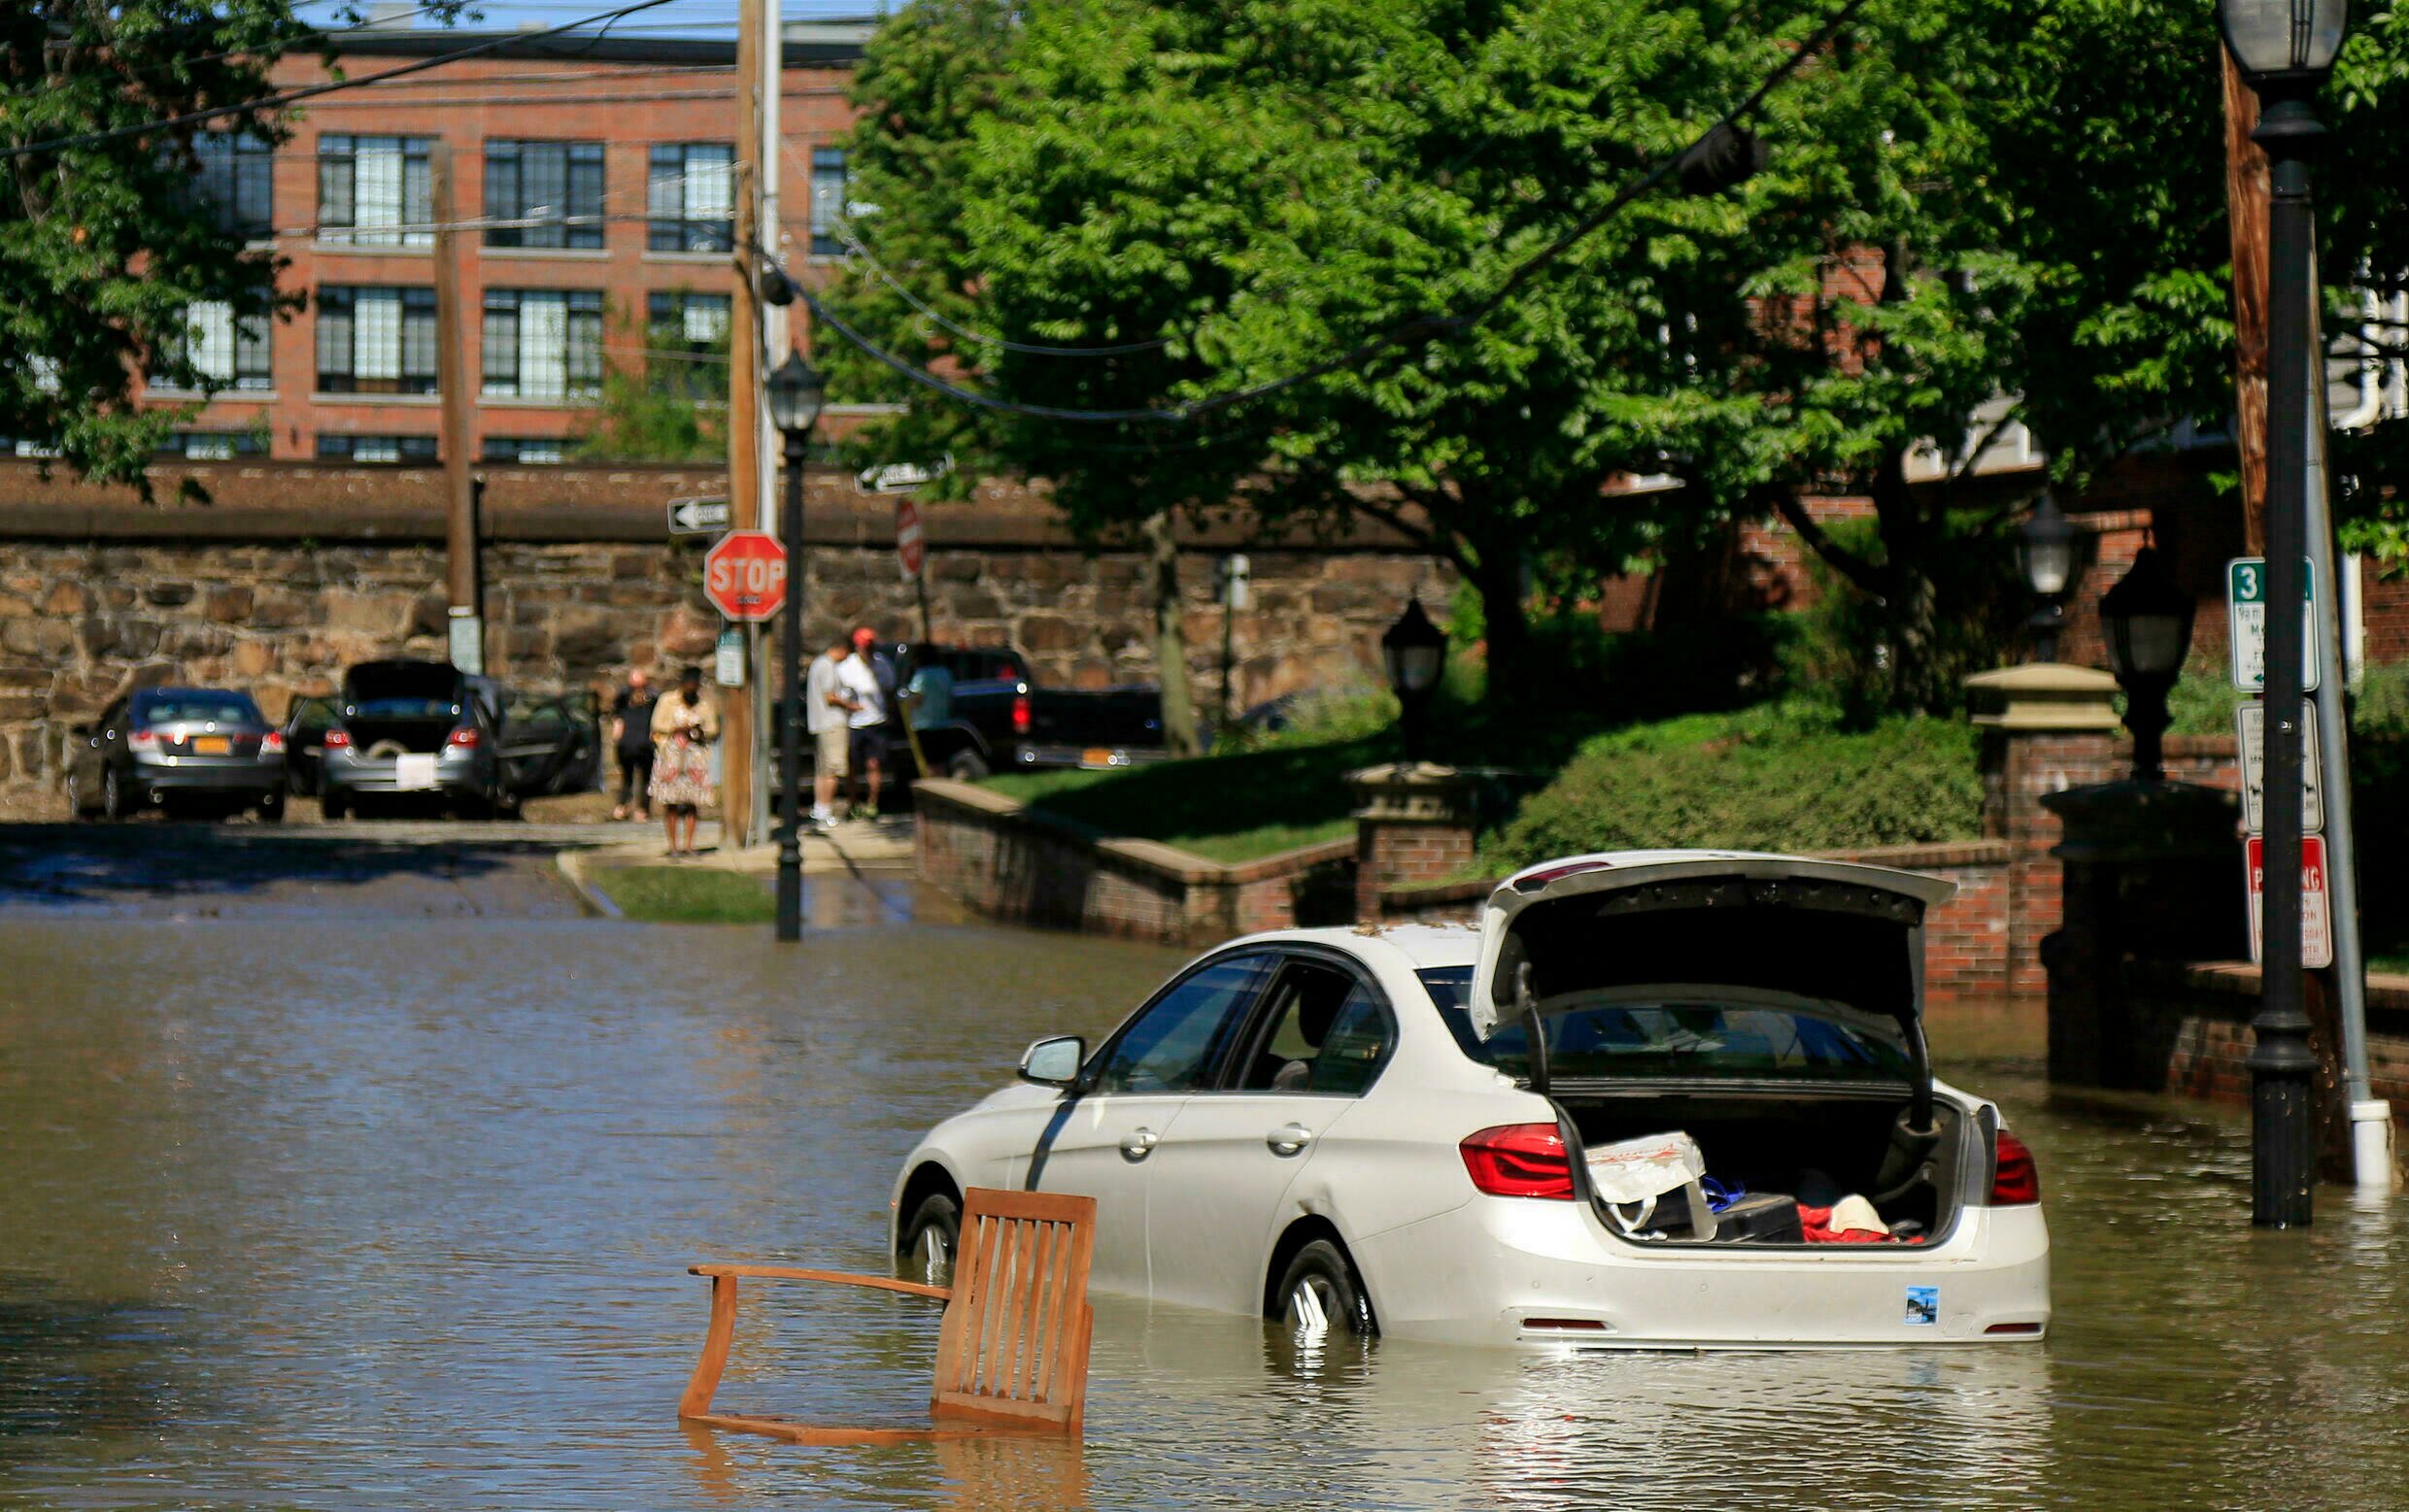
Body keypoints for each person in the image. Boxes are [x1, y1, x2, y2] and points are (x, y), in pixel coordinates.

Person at [648, 665, 720, 858]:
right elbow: (657, 725)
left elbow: (713, 729)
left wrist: (699, 730)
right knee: (671, 803)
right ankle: (673, 845)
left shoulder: (704, 704)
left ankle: (689, 844)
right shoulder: (667, 701)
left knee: (692, 803)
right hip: (672, 757)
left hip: (695, 759)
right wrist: (677, 727)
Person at [837, 626, 895, 818]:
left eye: (870, 646)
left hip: (877, 721)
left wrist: (890, 712)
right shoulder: (847, 667)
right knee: (852, 766)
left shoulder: (882, 664)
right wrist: (849, 706)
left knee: (874, 764)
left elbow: (889, 690)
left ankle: (872, 803)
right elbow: (840, 695)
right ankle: (853, 802)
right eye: (864, 646)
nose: (868, 650)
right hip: (855, 723)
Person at [803, 628, 853, 829]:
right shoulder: (827, 666)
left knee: (822, 771)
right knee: (833, 770)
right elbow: (829, 696)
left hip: (821, 723)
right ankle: (825, 811)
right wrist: (850, 705)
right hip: (832, 723)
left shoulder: (817, 664)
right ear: (841, 650)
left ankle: (820, 809)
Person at [608, 667, 656, 822]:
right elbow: (617, 718)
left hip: (645, 744)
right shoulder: (623, 698)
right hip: (627, 744)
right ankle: (622, 806)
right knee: (627, 778)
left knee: (646, 779)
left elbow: (656, 720)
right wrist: (617, 736)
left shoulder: (653, 698)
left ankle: (642, 809)